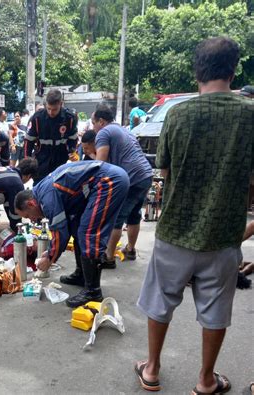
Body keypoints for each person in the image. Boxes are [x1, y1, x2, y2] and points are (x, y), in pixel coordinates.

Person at [135, 37, 254, 394]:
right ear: (234, 70)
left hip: (175, 230)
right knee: (216, 309)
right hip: (223, 234)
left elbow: (165, 171)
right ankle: (205, 380)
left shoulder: (178, 113)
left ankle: (152, 369)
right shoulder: (250, 115)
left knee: (161, 300)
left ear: (196, 71)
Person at [14, 160, 129, 307]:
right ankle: (82, 275)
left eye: (28, 215)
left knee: (88, 234)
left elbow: (59, 230)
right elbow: (66, 227)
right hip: (103, 181)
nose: (32, 219)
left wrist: (50, 258)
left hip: (109, 181)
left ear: (31, 204)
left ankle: (93, 291)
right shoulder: (42, 193)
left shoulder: (47, 197)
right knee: (77, 229)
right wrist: (50, 251)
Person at [91, 104, 153, 268]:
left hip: (132, 178)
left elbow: (100, 163)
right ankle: (130, 249)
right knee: (133, 214)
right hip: (145, 175)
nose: (93, 128)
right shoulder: (124, 130)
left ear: (101, 121)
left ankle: (109, 257)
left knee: (116, 217)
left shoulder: (104, 132)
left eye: (93, 123)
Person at [24, 89, 78, 184]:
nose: (51, 112)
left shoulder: (70, 118)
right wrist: (27, 161)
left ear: (61, 104)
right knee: (39, 187)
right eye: (48, 108)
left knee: (58, 188)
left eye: (54, 109)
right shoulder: (37, 118)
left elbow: (73, 139)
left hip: (61, 159)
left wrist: (73, 152)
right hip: (41, 159)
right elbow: (28, 141)